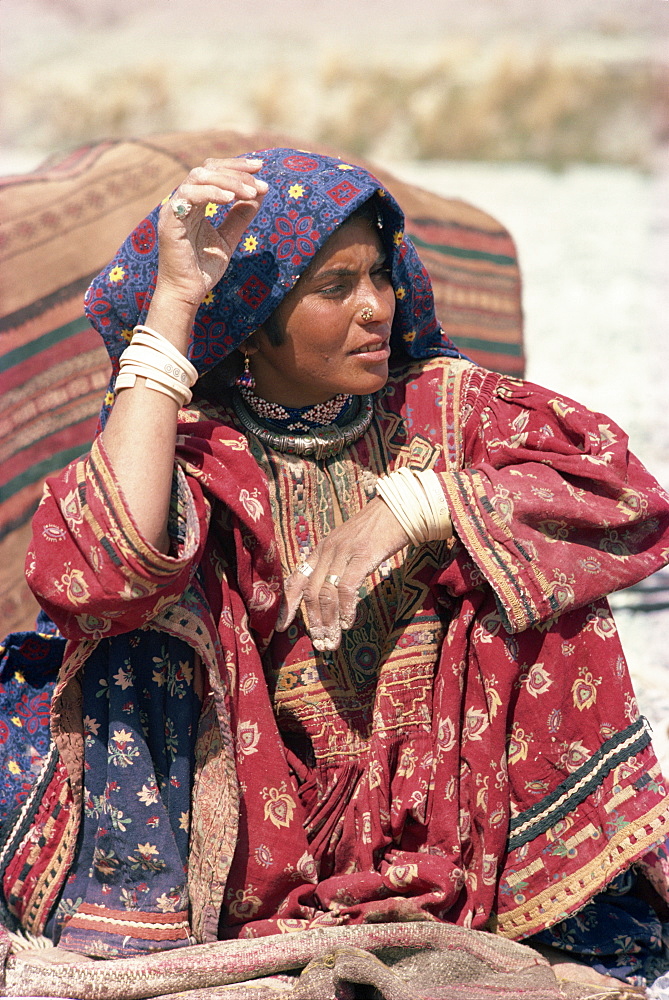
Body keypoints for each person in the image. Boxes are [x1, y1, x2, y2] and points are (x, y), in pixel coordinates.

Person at [3, 148, 669, 989]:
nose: (374, 310)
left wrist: (417, 506)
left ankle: (553, 906)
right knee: (146, 632)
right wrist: (175, 302)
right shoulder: (205, 449)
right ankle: (146, 915)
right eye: (333, 288)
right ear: (253, 316)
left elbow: (622, 493)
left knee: (539, 575)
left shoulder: (440, 407)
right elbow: (103, 573)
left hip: (440, 820)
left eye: (380, 277)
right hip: (253, 832)